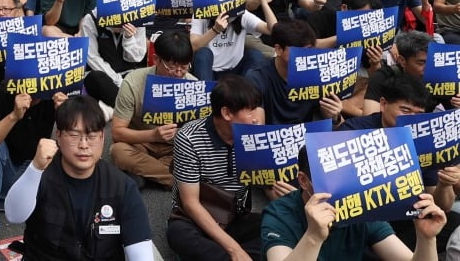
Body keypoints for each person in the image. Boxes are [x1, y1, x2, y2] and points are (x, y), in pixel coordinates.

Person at [5, 94, 154, 261]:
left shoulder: (122, 186)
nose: (84, 145)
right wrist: (36, 168)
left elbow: (141, 253)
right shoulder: (39, 173)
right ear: (58, 136)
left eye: (91, 136)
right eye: (74, 135)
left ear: (103, 138)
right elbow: (13, 215)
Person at [261, 147, 447, 261]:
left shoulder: (361, 204)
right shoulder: (278, 214)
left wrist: (426, 239)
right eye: (330, 177)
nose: (342, 187)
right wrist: (313, 236)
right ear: (303, 181)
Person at [167, 73, 265, 261]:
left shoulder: (254, 135)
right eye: (250, 111)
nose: (256, 118)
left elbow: (266, 179)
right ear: (227, 113)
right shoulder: (189, 137)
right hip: (196, 219)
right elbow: (190, 203)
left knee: (276, 224)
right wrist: (234, 250)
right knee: (178, 234)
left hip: (236, 216)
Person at [0, 74, 69, 261]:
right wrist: (14, 116)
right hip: (3, 170)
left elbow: (77, 149)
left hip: (31, 173)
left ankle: (47, 233)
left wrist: (65, 116)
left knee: (51, 149)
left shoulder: (55, 96)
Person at [110, 30, 198, 188]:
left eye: (184, 67)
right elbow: (117, 132)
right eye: (172, 67)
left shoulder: (194, 85)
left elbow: (200, 136)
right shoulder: (133, 82)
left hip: (174, 148)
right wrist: (153, 135)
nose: (178, 74)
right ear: (156, 60)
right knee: (118, 151)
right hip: (141, 143)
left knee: (201, 157)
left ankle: (147, 175)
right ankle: (176, 180)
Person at [245, 19, 344, 126]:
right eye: (298, 51)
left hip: (306, 136)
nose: (304, 57)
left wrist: (334, 116)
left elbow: (336, 122)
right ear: (278, 49)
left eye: (309, 50)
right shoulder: (256, 78)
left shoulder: (318, 75)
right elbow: (257, 123)